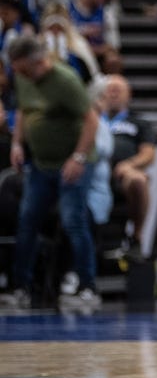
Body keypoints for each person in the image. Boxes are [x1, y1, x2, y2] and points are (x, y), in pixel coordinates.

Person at [0, 36, 102, 310]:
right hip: (41, 165)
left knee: (73, 222)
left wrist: (78, 158)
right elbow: (23, 110)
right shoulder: (23, 78)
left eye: (22, 69)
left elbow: (91, 120)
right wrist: (18, 143)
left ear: (38, 62)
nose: (18, 75)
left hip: (73, 163)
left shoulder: (65, 79)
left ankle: (88, 288)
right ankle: (20, 287)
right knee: (27, 221)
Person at [100, 74, 156, 253]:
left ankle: (136, 237)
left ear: (128, 95)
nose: (114, 94)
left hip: (121, 173)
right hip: (94, 171)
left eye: (118, 90)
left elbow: (149, 153)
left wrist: (130, 164)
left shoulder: (138, 122)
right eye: (110, 90)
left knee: (139, 180)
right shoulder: (92, 120)